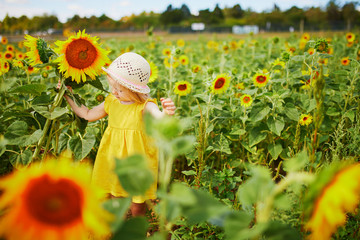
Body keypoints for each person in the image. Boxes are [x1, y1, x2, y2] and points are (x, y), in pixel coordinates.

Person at [63, 52, 176, 216]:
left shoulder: (145, 106)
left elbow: (160, 119)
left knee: (137, 201)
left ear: (135, 91)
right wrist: (68, 96)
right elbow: (87, 114)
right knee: (115, 194)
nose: (114, 92)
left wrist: (167, 112)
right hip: (114, 155)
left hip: (137, 159)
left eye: (120, 90)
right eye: (112, 88)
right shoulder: (111, 101)